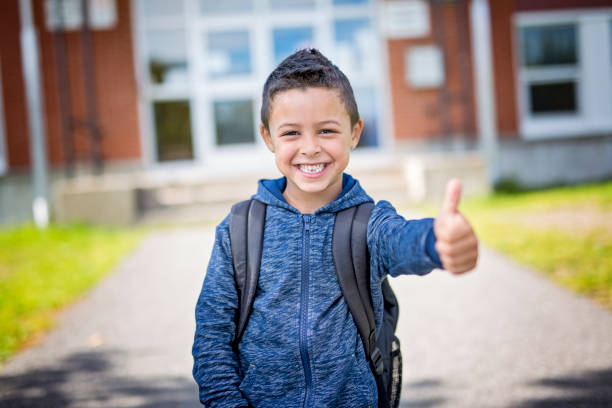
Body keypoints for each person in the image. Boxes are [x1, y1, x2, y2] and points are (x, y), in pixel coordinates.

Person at [192, 48, 478, 408]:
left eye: (327, 130)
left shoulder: (369, 222)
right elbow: (212, 334)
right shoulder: (239, 229)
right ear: (268, 138)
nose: (310, 148)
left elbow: (401, 239)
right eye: (291, 133)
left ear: (354, 133)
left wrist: (438, 240)